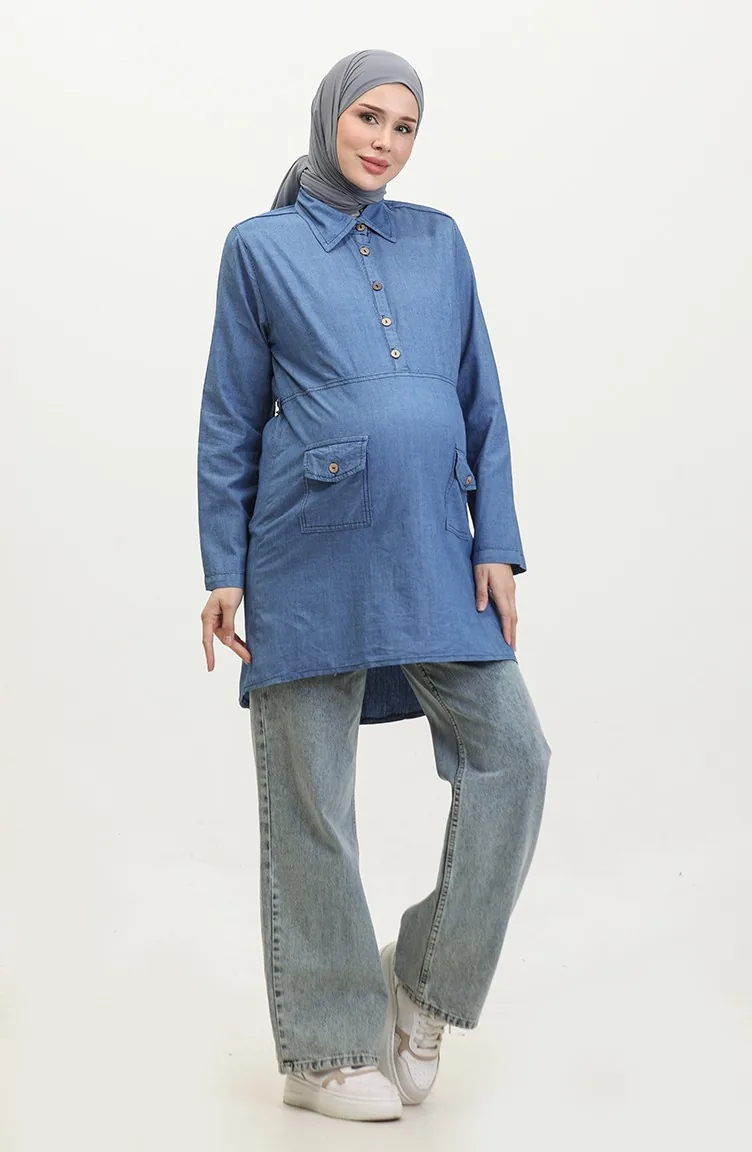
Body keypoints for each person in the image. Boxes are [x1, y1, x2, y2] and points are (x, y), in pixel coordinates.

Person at [197, 48, 552, 1123]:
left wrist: (496, 543)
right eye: (368, 118)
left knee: (514, 755)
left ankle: (423, 984)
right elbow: (229, 416)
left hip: (433, 545)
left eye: (405, 126)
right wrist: (223, 569)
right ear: (329, 117)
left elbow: (481, 399)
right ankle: (323, 1052)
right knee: (313, 798)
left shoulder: (438, 241)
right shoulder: (259, 248)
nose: (384, 143)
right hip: (303, 552)